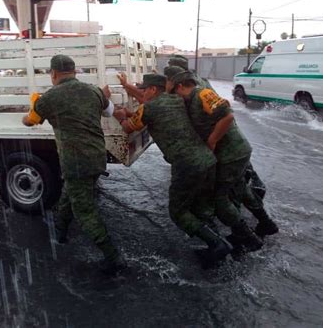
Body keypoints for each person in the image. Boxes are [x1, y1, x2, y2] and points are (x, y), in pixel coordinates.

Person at [22, 54, 126, 275]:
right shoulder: (94, 91)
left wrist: (32, 107)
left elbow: (30, 121)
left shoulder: (48, 98)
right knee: (70, 193)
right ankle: (60, 232)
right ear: (74, 71)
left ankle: (113, 256)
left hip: (75, 161)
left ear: (53, 74)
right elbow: (110, 111)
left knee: (84, 210)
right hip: (97, 156)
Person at [114, 73, 233, 266]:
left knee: (177, 212)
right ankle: (215, 245)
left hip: (187, 165)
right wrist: (131, 110)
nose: (142, 93)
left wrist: (120, 117)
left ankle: (218, 244)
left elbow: (129, 128)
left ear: (153, 90)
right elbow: (153, 117)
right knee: (203, 206)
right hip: (207, 160)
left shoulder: (149, 108)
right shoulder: (176, 100)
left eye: (144, 89)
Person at [171, 71, 277, 249]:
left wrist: (212, 140)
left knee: (220, 199)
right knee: (240, 188)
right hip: (234, 153)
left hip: (232, 154)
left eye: (175, 91)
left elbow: (227, 115)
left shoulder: (203, 93)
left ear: (180, 86)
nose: (175, 96)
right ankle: (266, 224)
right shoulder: (192, 99)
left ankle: (248, 238)